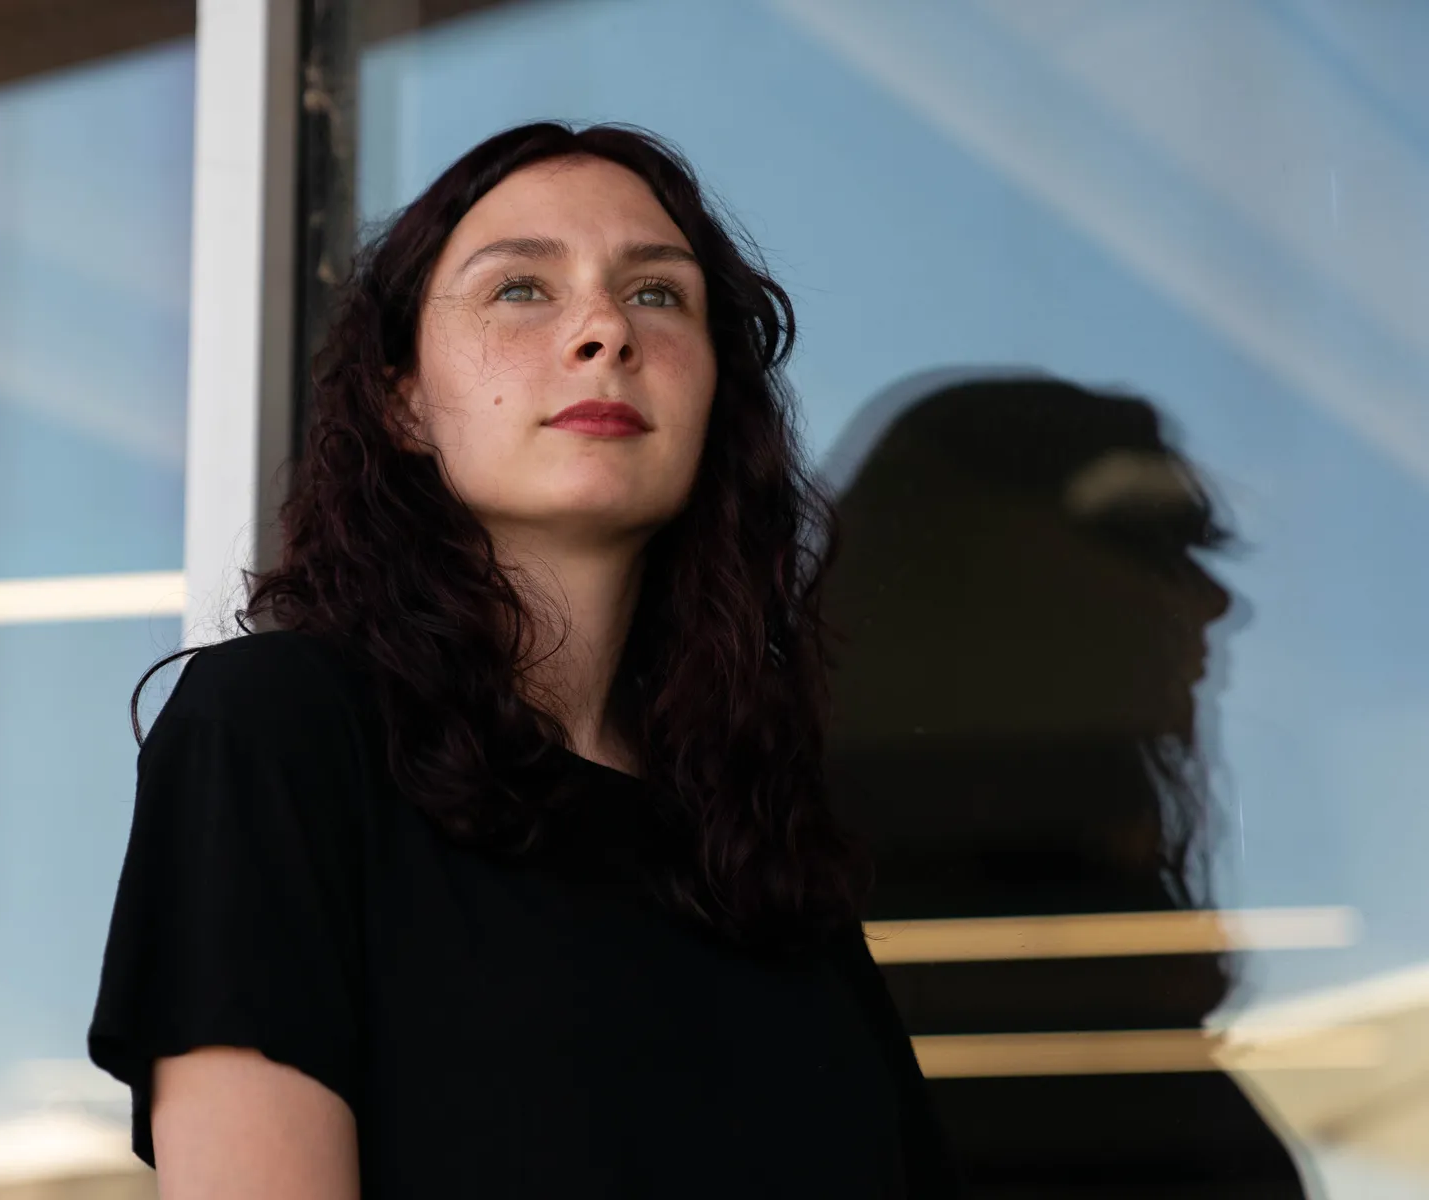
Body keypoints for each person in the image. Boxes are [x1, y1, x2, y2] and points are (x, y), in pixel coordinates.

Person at [86, 122, 957, 1198]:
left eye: (657, 295)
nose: (603, 330)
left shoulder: (758, 839)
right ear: (403, 398)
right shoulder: (278, 730)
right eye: (519, 291)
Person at [819, 370, 1307, 1197]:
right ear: (997, 582)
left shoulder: (1054, 937)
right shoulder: (884, 954)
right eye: (1154, 543)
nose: (1218, 603)